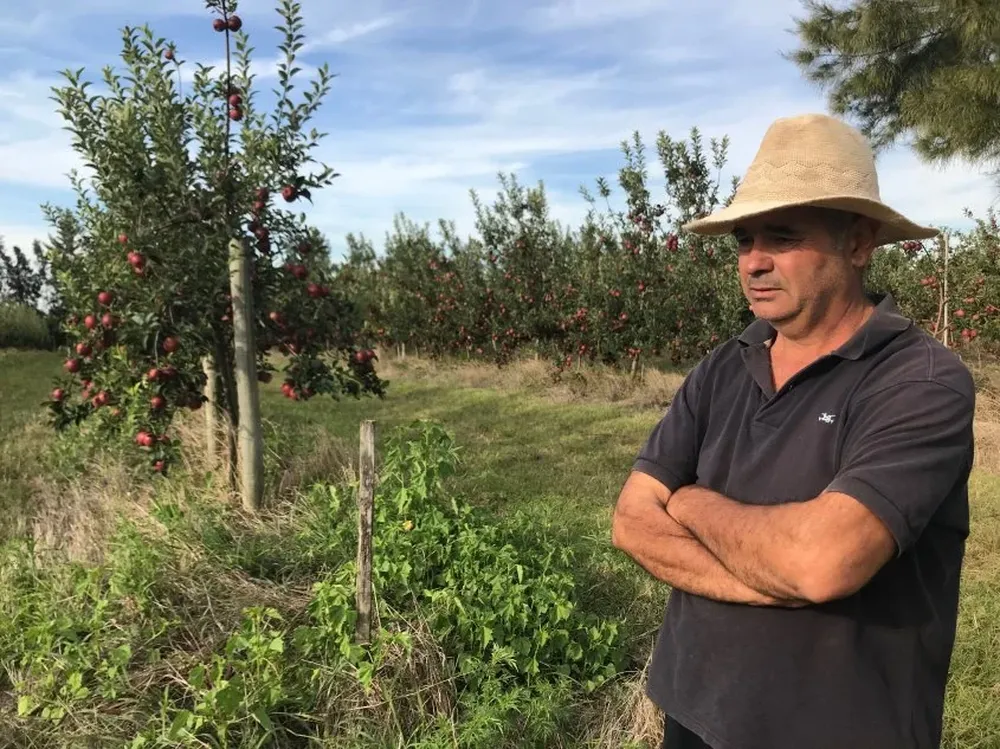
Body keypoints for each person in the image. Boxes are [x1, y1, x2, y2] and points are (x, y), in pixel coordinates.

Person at [611, 113, 976, 749]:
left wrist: (691, 501)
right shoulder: (725, 366)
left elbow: (820, 562)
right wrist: (764, 582)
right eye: (743, 240)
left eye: (780, 237)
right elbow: (632, 522)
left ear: (859, 242)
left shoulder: (920, 382)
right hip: (695, 714)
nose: (753, 262)